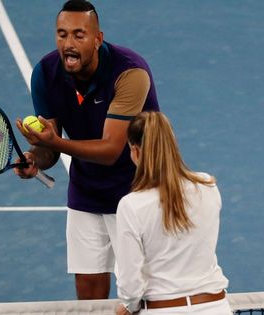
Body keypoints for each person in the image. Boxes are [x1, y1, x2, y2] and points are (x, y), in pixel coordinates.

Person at [13, 0, 160, 299]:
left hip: (139, 190)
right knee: (89, 291)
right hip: (87, 190)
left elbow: (110, 150)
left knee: (142, 293)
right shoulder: (45, 74)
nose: (68, 43)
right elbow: (49, 150)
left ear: (97, 39)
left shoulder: (130, 73)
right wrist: (35, 158)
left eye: (79, 35)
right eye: (62, 34)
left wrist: (54, 142)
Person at [115, 111, 231, 315]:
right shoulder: (207, 186)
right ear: (173, 144)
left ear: (136, 151)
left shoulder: (131, 206)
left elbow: (130, 282)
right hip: (216, 308)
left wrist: (128, 305)